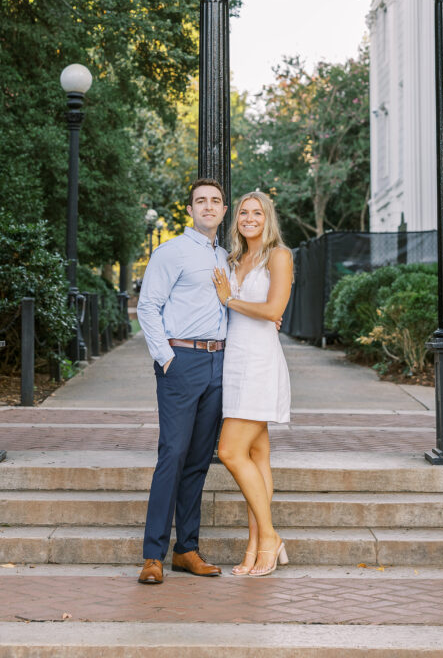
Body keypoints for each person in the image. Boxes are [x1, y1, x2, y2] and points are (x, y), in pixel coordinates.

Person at [136, 179, 229, 585]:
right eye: (201, 201)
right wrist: (167, 358)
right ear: (189, 209)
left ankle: (186, 550)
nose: (208, 207)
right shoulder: (170, 252)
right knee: (172, 455)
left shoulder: (226, 256)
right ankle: (152, 555)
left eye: (215, 201)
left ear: (223, 210)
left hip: (218, 363)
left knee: (197, 461)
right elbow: (148, 306)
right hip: (182, 360)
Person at [212, 190, 293, 577]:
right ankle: (253, 548)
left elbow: (274, 310)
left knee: (229, 450)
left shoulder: (279, 256)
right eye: (243, 212)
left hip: (260, 363)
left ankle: (271, 537)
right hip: (234, 361)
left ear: (267, 218)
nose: (248, 218)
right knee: (257, 458)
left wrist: (231, 301)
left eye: (256, 212)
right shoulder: (232, 259)